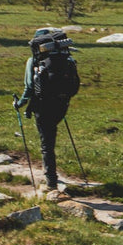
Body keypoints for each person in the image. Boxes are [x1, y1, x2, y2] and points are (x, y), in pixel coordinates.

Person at [15, 27, 80, 200]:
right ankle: (52, 179)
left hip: (43, 107)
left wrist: (19, 104)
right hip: (61, 105)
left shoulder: (34, 62)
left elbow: (29, 88)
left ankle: (51, 183)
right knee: (50, 137)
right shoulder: (67, 59)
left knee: (47, 145)